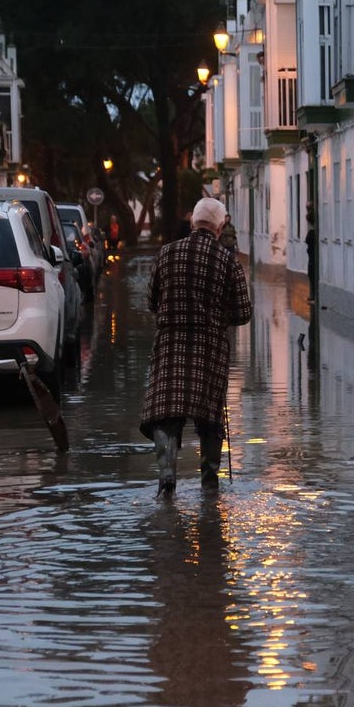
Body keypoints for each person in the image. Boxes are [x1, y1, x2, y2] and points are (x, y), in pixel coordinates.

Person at [139, 197, 253, 496]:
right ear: (219, 226)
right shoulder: (228, 260)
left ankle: (166, 477)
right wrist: (216, 315)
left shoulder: (166, 254)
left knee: (166, 411)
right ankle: (209, 484)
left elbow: (151, 301)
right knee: (209, 417)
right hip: (210, 349)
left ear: (194, 223)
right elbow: (243, 313)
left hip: (170, 345)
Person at [305, 205, 318, 302]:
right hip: (312, 257)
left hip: (312, 259)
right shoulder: (312, 233)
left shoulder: (311, 233)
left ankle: (314, 295)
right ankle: (314, 294)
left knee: (312, 273)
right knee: (311, 273)